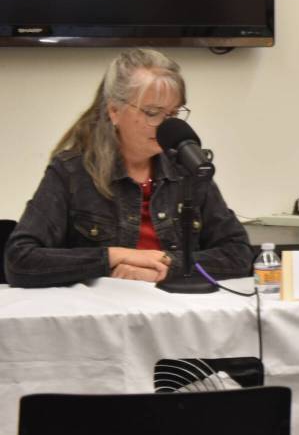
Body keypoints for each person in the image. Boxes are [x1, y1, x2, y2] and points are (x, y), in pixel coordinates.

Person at [4, 49, 252, 288]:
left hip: (179, 308)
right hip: (103, 310)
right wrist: (116, 256)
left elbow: (238, 253)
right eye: (152, 113)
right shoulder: (72, 171)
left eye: (173, 114)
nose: (165, 125)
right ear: (114, 111)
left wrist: (165, 266)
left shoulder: (186, 167)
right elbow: (20, 260)